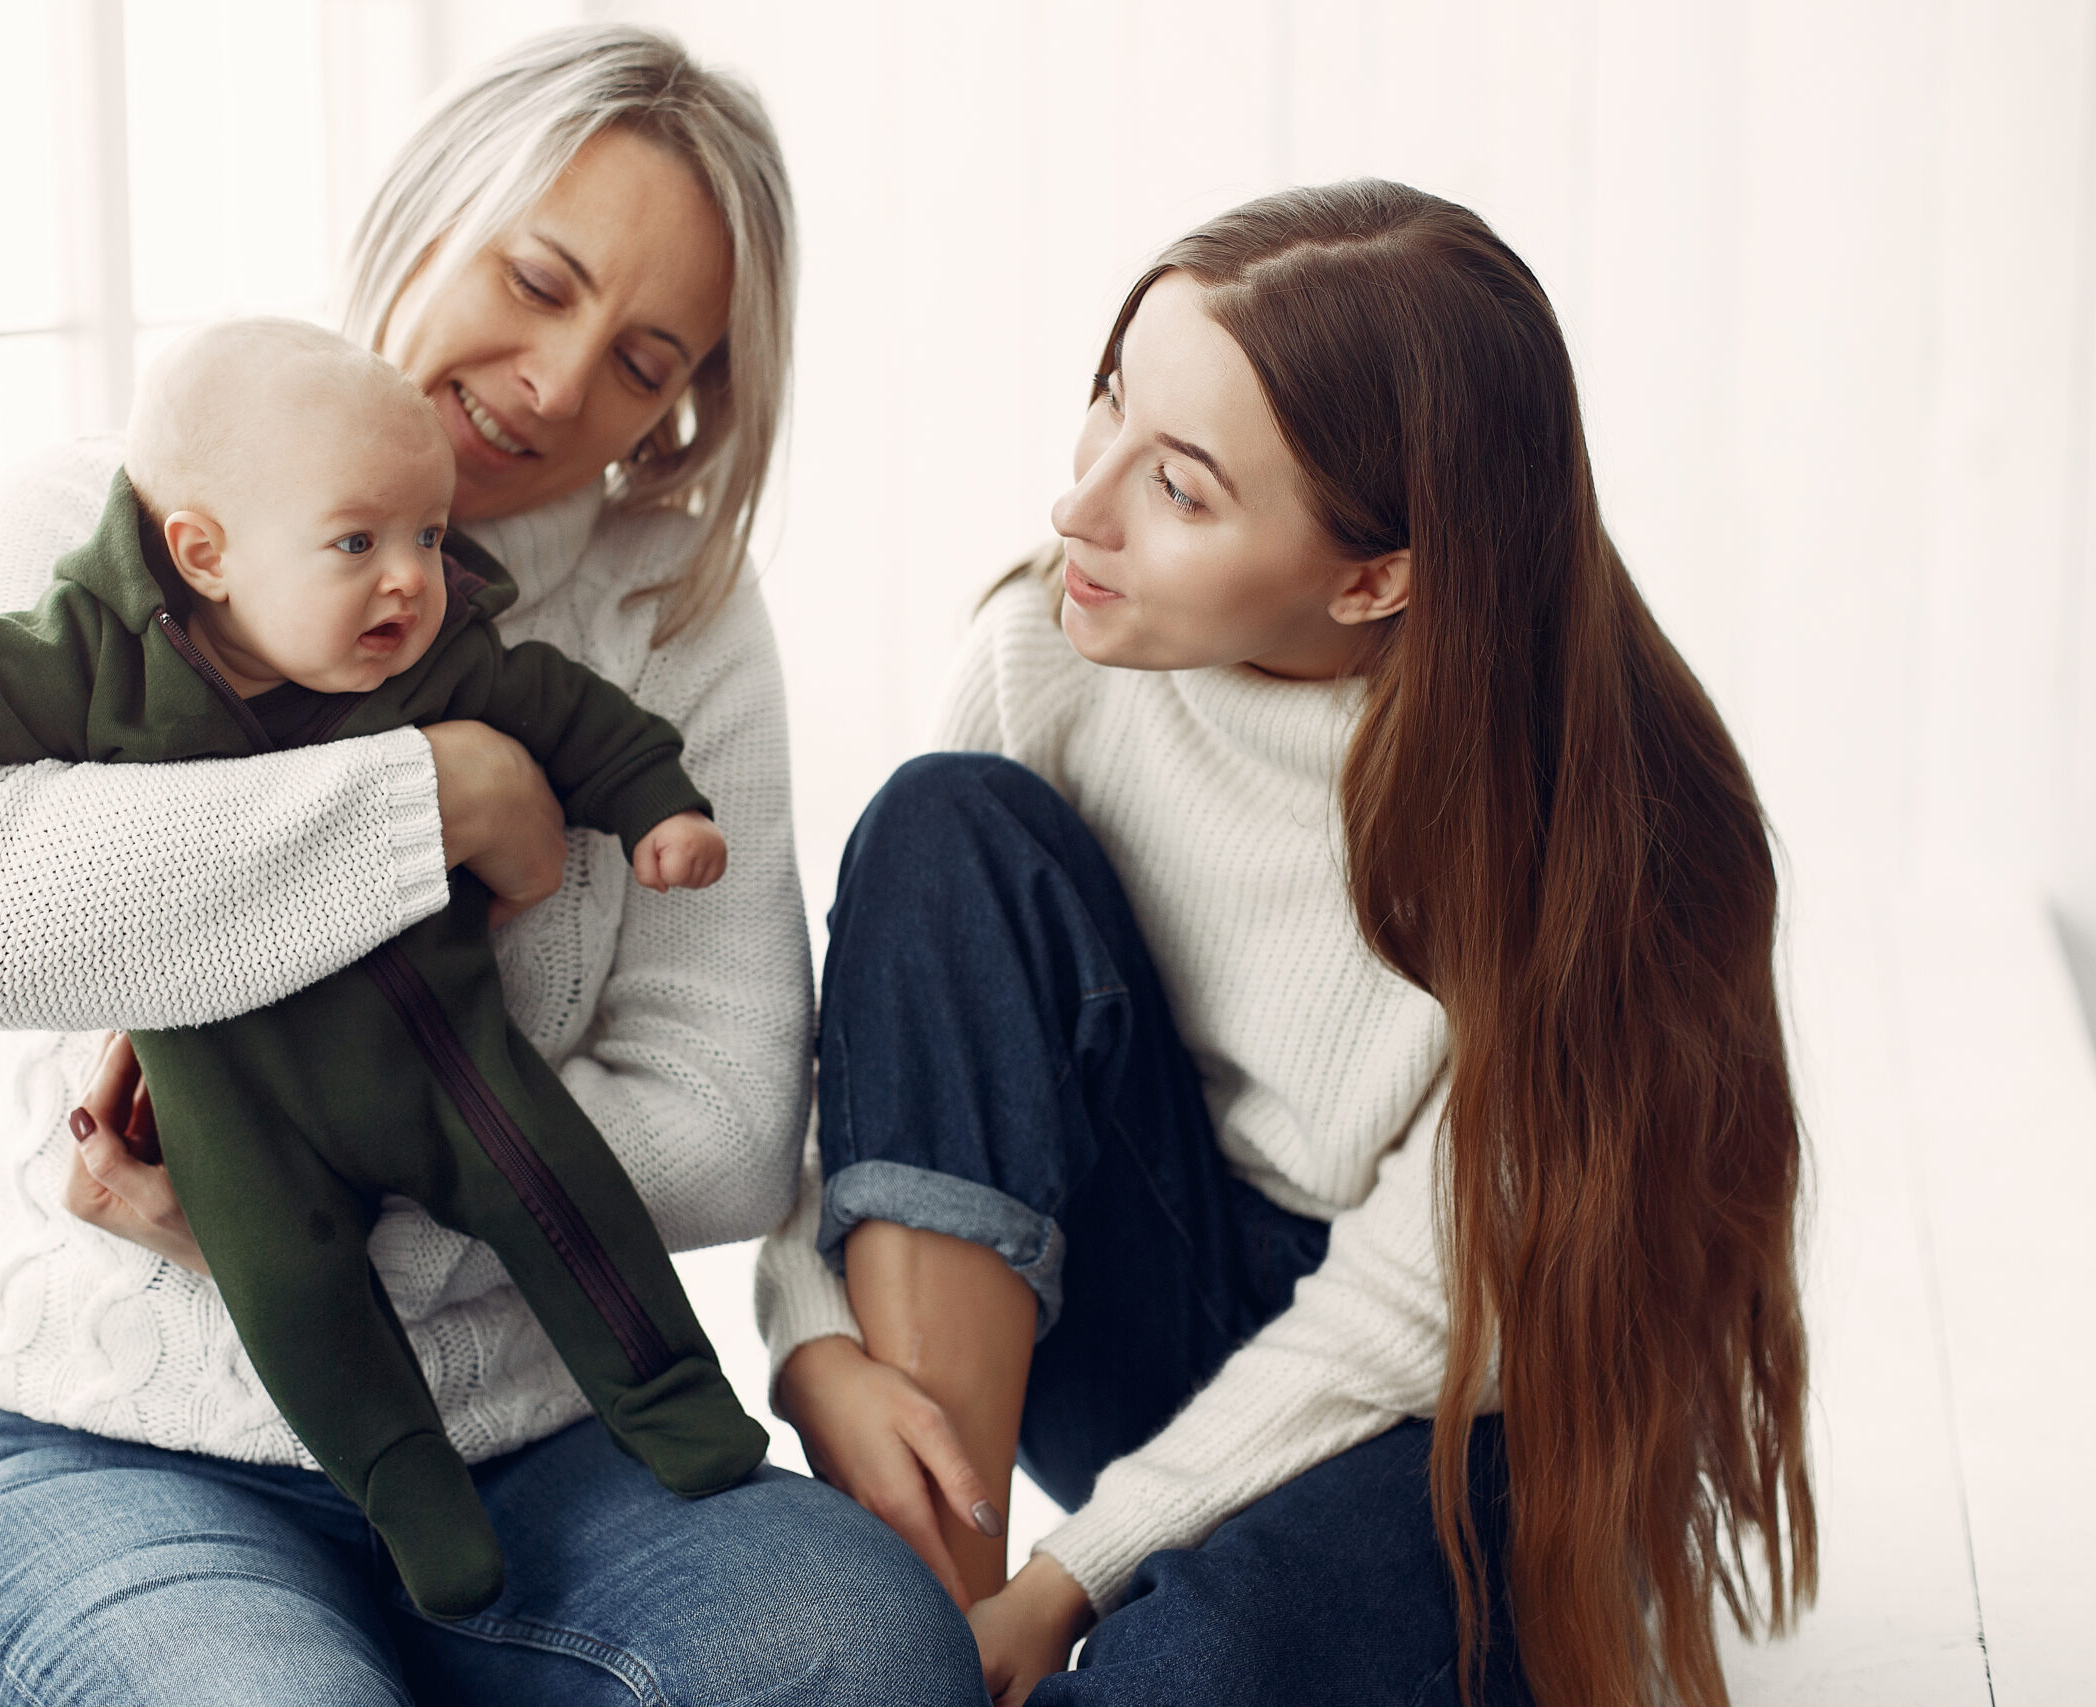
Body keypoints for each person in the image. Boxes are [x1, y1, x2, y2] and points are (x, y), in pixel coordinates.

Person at [0, 28, 982, 1706]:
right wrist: (430, 800)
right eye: (535, 281)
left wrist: (295, 1208)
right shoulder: (96, 520)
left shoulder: (669, 614)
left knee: (869, 1653)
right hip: (123, 1452)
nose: (556, 379)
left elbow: (731, 1126)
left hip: (558, 1456)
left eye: (641, 359)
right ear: (428, 209)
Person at [763, 180, 1816, 1707]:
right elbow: (887, 1067)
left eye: (1179, 489)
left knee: (1181, 1672)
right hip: (1149, 1305)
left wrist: (1081, 1574)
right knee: (944, 826)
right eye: (1106, 408)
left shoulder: (1610, 837)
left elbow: (1417, 1318)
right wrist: (811, 1341)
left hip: (1449, 1418)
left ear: (1376, 575)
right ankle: (925, 1649)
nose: (1082, 507)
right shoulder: (1044, 652)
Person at [0, 317, 765, 1618]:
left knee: (560, 1195)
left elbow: (576, 715)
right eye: (359, 546)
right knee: (298, 1300)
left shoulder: (446, 658)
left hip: (443, 1054)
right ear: (204, 555)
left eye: (430, 541)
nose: (408, 580)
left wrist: (659, 803)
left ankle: (677, 1402)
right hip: (233, 1104)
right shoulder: (95, 654)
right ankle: (414, 1501)